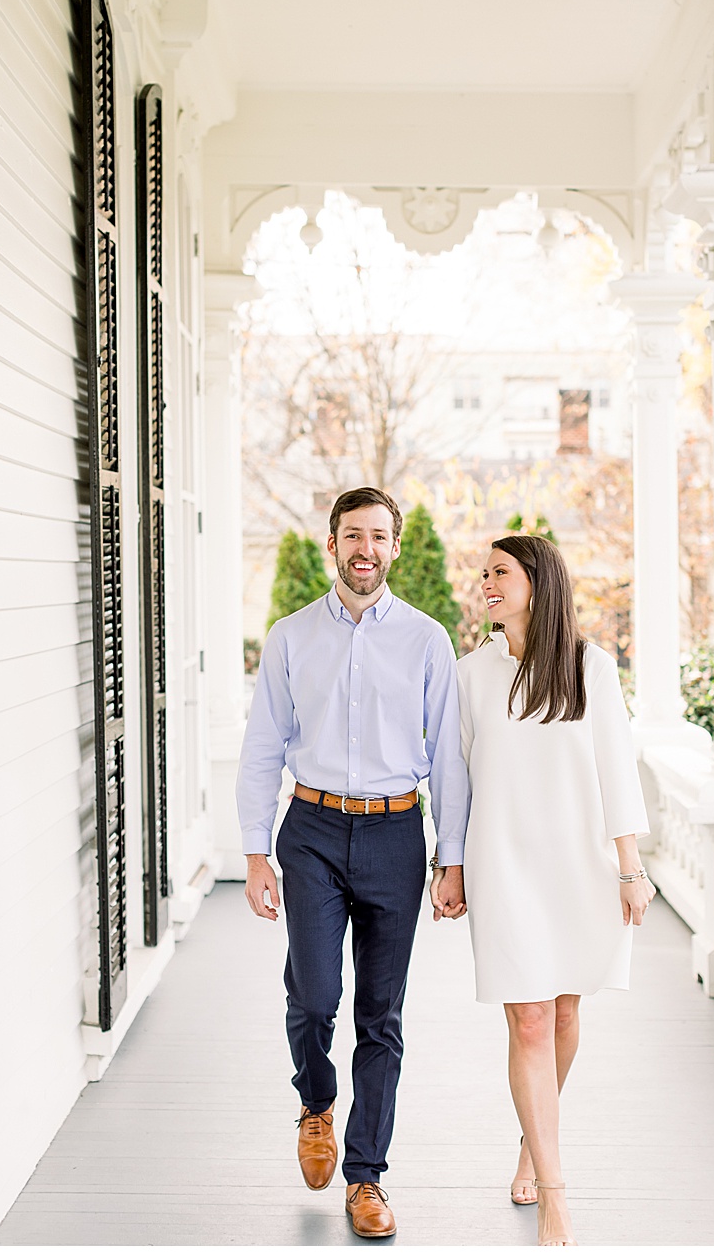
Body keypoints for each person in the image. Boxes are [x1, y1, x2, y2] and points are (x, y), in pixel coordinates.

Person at [238, 486, 469, 1240]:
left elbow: (450, 764)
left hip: (396, 834)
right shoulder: (291, 637)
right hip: (308, 828)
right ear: (332, 542)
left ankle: (365, 1176)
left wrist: (452, 857)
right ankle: (315, 1104)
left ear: (393, 548)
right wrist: (254, 850)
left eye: (378, 536)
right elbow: (262, 749)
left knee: (381, 1013)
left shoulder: (429, 641)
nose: (364, 549)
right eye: (352, 535)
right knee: (313, 995)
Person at [449, 534, 653, 1247]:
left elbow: (616, 770)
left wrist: (630, 868)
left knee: (565, 1013)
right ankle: (556, 1197)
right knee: (528, 1020)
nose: (486, 583)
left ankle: (534, 1146)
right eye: (485, 574)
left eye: (499, 572)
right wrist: (452, 864)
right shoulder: (470, 673)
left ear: (536, 580)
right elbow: (458, 776)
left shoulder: (591, 667)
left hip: (580, 865)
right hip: (502, 863)